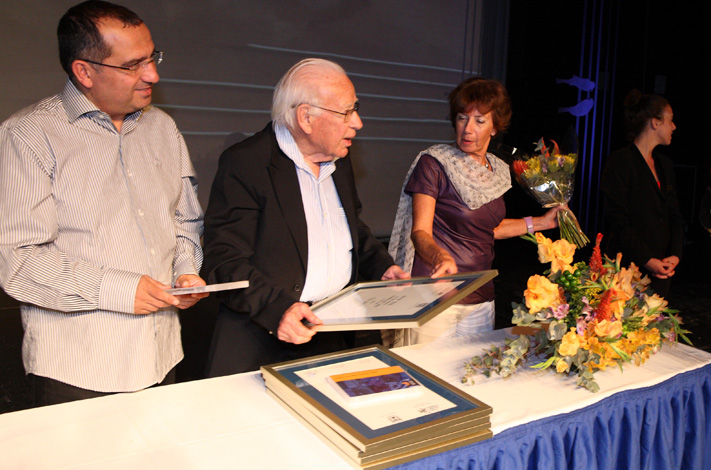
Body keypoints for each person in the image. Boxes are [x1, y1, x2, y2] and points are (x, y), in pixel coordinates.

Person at [0, 0, 207, 406]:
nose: (152, 75)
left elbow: (185, 220)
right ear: (84, 71)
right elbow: (17, 260)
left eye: (152, 58)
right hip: (80, 369)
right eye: (132, 65)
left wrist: (185, 271)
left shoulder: (162, 127)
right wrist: (119, 289)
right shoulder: (28, 136)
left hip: (163, 355)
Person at [202, 58, 407, 377]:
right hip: (268, 339)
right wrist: (277, 310)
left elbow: (351, 228)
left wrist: (383, 267)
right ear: (306, 117)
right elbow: (224, 261)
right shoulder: (247, 163)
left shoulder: (339, 158)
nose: (358, 123)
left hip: (336, 335)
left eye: (355, 109)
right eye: (346, 112)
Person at [387, 77, 560, 346]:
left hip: (480, 295)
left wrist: (542, 222)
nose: (467, 129)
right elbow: (420, 232)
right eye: (462, 118)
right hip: (436, 295)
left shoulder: (498, 170)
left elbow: (491, 229)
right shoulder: (434, 163)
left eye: (479, 121)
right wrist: (439, 255)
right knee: (427, 370)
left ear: (495, 127)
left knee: (472, 369)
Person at [599, 90, 683, 295]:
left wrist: (675, 255)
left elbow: (674, 215)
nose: (674, 126)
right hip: (626, 268)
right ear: (655, 122)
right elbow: (617, 219)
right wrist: (646, 259)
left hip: (660, 269)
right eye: (670, 120)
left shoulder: (665, 164)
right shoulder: (621, 161)